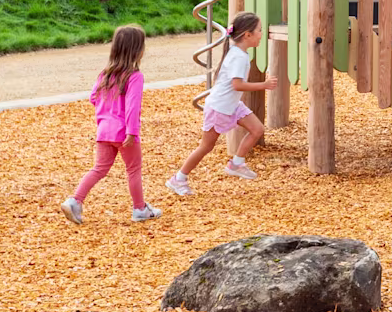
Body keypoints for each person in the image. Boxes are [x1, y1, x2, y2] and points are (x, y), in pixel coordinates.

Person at [167, 12, 277, 195]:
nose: (261, 34)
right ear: (247, 35)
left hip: (232, 105)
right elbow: (237, 84)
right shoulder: (239, 57)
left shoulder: (237, 52)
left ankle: (236, 164)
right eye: (259, 30)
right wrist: (263, 85)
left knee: (257, 129)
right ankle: (178, 178)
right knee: (206, 146)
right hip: (219, 107)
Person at [61, 25, 159, 224]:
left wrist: (106, 115)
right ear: (138, 51)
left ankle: (75, 200)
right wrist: (132, 132)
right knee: (133, 169)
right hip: (124, 132)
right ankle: (139, 209)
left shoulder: (104, 74)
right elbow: (132, 106)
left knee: (99, 169)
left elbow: (93, 98)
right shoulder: (135, 77)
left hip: (104, 130)